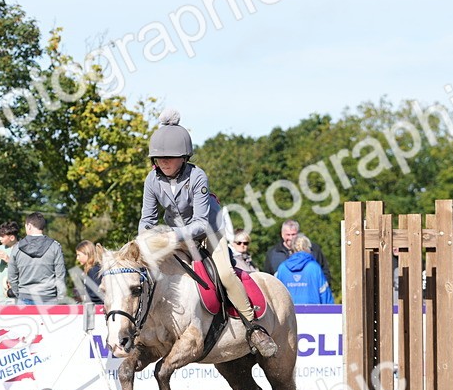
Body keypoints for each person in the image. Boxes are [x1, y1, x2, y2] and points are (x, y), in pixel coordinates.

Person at [138, 109, 276, 357]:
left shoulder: (197, 176)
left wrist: (170, 236)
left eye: (169, 157)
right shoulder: (152, 179)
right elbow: (146, 220)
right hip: (176, 235)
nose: (163, 162)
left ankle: (253, 327)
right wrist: (143, 244)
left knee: (225, 272)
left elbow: (201, 224)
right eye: (159, 158)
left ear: (184, 156)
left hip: (209, 232)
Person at [7, 212, 67, 305]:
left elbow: (12, 276)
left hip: (24, 297)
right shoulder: (55, 247)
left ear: (29, 226)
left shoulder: (17, 248)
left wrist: (19, 294)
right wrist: (61, 298)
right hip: (49, 297)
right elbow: (60, 276)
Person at [275, 236, 334, 305]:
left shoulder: (282, 268)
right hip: (313, 313)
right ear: (308, 248)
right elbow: (325, 295)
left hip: (289, 313)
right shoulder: (314, 268)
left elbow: (276, 294)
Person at [264, 219, 329, 281]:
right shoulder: (273, 253)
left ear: (298, 234)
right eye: (288, 235)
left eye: (293, 234)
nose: (291, 238)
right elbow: (267, 278)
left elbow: (324, 272)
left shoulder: (313, 250)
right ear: (282, 234)